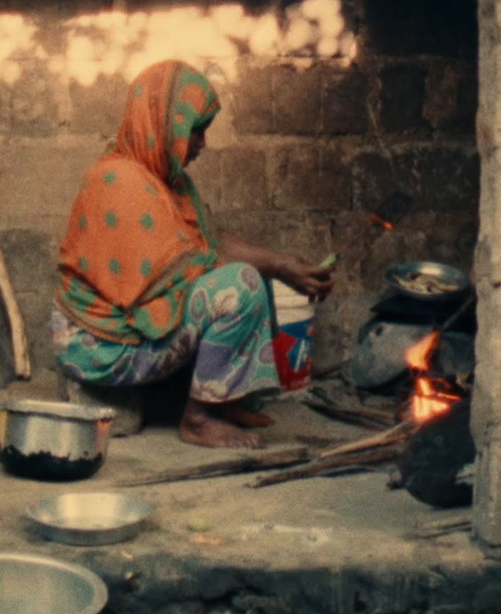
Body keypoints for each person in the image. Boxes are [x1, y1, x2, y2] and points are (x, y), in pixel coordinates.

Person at [51, 59, 334, 450]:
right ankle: (198, 420)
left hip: (121, 329)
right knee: (240, 285)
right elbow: (185, 266)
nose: (202, 143)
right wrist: (271, 266)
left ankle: (228, 399)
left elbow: (207, 243)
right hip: (97, 345)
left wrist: (282, 263)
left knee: (253, 274)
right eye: (195, 131)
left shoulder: (168, 181)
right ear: (163, 126)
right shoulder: (119, 182)